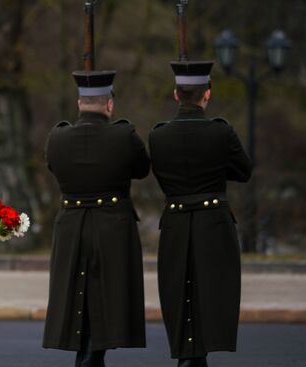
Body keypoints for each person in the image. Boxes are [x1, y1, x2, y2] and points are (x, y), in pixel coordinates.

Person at [148, 61, 253, 367]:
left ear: (176, 94)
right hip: (214, 223)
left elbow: (163, 175)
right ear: (207, 94)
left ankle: (188, 359)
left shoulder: (158, 135)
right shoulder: (220, 132)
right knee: (211, 298)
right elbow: (244, 171)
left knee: (180, 297)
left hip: (176, 223)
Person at [43, 70, 150, 367]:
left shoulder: (57, 136)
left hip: (71, 227)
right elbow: (142, 169)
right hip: (113, 227)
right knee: (105, 306)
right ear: (109, 105)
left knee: (79, 303)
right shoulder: (124, 136)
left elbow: (52, 165)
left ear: (79, 102)